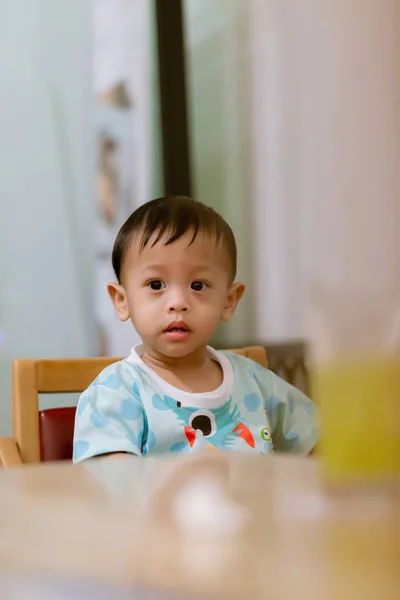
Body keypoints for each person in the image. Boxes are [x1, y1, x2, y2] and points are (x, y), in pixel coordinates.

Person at [73, 196, 318, 462]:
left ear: (228, 300)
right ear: (122, 301)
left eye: (198, 285)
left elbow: (323, 443)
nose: (178, 303)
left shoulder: (257, 383)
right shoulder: (116, 392)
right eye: (156, 285)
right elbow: (110, 481)